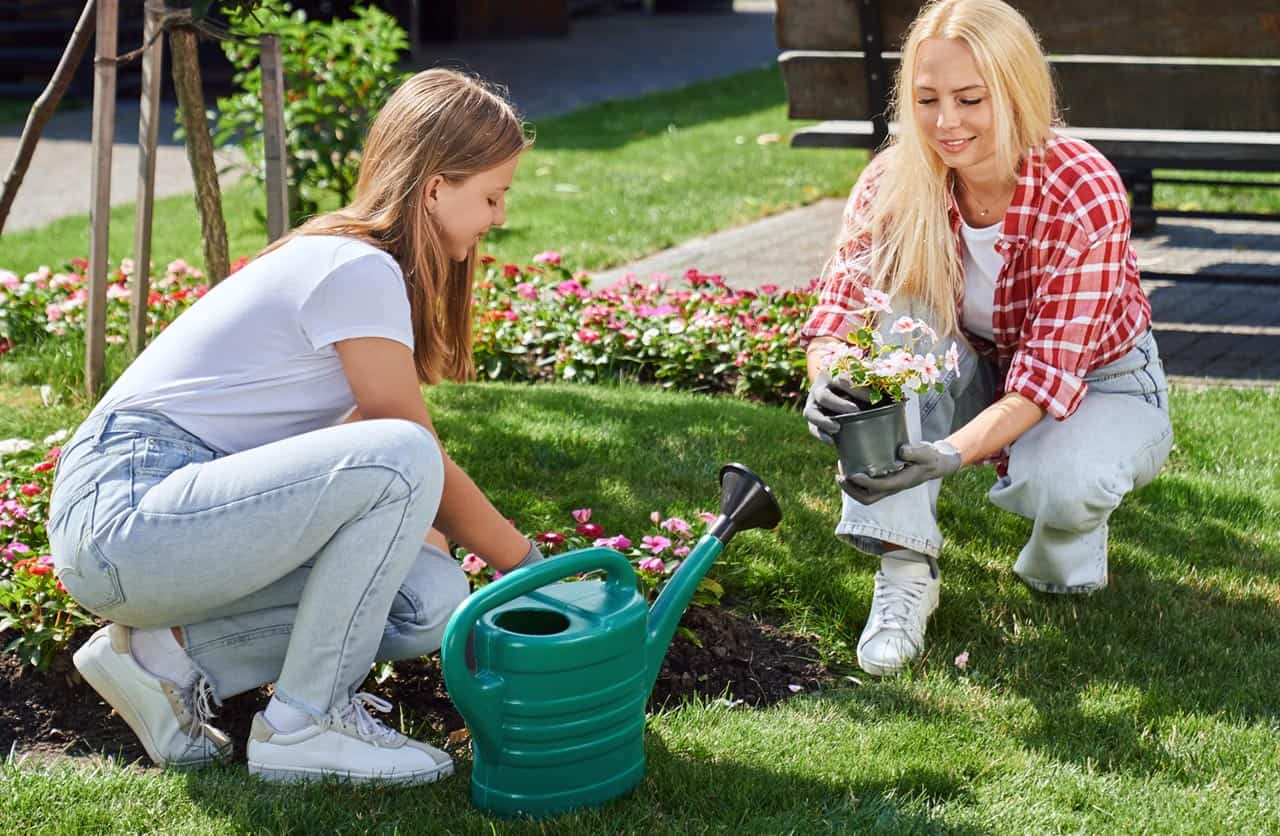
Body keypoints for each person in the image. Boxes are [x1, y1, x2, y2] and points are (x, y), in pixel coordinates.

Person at [47, 69, 540, 783]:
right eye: (492, 196)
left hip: (163, 527)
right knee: (405, 453)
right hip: (126, 507)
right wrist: (528, 570)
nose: (498, 216)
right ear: (435, 187)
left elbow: (359, 479)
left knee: (428, 597)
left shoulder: (362, 275)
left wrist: (430, 547)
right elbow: (409, 451)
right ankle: (307, 722)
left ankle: (160, 659)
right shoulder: (357, 269)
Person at [800, 0, 1173, 676]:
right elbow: (839, 311)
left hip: (1101, 383)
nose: (946, 123)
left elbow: (1042, 379)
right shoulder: (893, 179)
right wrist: (827, 375)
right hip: (971, 364)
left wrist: (945, 454)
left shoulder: (1081, 188)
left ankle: (1067, 532)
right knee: (899, 324)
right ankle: (905, 568)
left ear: (1017, 91)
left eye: (970, 98)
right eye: (927, 98)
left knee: (1066, 483)